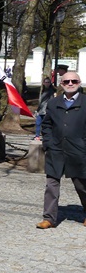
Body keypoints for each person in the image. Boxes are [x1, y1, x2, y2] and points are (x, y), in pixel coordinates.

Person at [37, 71, 86, 229]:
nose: (70, 84)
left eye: (74, 81)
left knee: (81, 186)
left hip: (79, 151)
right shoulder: (54, 102)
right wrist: (48, 143)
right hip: (56, 150)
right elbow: (46, 125)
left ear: (79, 83)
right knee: (51, 185)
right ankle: (49, 218)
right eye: (66, 82)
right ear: (61, 84)